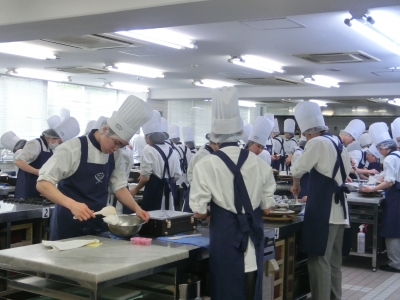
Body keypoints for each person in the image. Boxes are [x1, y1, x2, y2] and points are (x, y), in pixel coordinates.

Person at [190, 87, 276, 300]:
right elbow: (267, 207)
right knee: (251, 284)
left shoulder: (206, 165)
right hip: (253, 233)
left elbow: (199, 212)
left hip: (225, 234)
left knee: (225, 285)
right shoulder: (260, 163)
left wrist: (214, 208)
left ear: (214, 136)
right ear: (240, 134)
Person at [37, 96, 152, 240]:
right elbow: (43, 183)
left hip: (98, 225)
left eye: (121, 145)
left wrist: (137, 209)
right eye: (116, 143)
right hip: (69, 225)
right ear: (105, 129)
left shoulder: (115, 154)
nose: (117, 148)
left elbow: (120, 187)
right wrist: (72, 205)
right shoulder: (72, 149)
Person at [290, 101, 352, 300]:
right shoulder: (338, 143)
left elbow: (297, 168)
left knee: (318, 261)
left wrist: (296, 182)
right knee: (334, 262)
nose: (305, 138)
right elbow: (347, 172)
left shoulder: (317, 143)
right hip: (340, 212)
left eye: (305, 134)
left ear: (309, 132)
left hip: (324, 211)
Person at [360, 122, 400, 272]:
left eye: (378, 148)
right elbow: (391, 176)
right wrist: (380, 178)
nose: (377, 152)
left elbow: (390, 182)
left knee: (392, 229)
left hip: (396, 196)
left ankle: (395, 264)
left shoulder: (390, 159)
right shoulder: (398, 155)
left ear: (384, 148)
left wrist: (372, 189)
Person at [15, 117, 80, 199]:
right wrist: (38, 172)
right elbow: (18, 161)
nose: (58, 145)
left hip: (39, 191)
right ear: (53, 138)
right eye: (59, 142)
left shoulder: (50, 149)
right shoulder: (35, 144)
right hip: (27, 190)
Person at [130, 111, 181, 211]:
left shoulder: (148, 149)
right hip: (169, 191)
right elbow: (177, 175)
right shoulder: (172, 149)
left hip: (154, 192)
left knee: (153, 220)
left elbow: (145, 178)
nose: (145, 140)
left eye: (145, 137)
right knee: (167, 220)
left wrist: (135, 190)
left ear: (149, 136)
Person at [184, 133, 219, 212]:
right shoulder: (202, 155)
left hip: (203, 194)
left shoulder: (209, 154)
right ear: (216, 143)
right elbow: (200, 181)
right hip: (197, 195)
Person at [168, 123, 193, 208]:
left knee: (175, 204)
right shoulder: (187, 149)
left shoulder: (172, 149)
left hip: (175, 181)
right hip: (185, 181)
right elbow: (191, 165)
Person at [291, 135, 308, 202]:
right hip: (303, 183)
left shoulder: (299, 152)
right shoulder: (299, 153)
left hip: (303, 182)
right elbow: (297, 171)